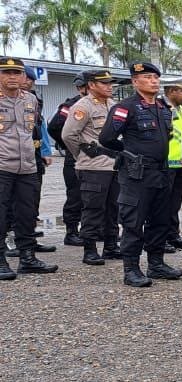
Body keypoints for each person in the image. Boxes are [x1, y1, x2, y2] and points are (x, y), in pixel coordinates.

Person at [98, 62, 182, 286]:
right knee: (133, 222)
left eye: (156, 77)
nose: (153, 81)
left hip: (162, 172)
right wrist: (128, 154)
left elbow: (168, 137)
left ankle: (156, 264)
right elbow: (106, 138)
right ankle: (131, 269)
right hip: (137, 174)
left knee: (160, 220)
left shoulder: (163, 108)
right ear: (135, 82)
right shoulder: (125, 107)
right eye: (147, 77)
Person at [0, 57, 57, 279]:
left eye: (17, 73)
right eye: (7, 73)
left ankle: (28, 258)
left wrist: (42, 153)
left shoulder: (30, 100)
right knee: (2, 215)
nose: (13, 77)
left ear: (24, 76)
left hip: (27, 167)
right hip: (2, 166)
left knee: (27, 213)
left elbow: (34, 131)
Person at [60, 69, 121, 266]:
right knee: (93, 208)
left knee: (114, 208)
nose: (109, 86)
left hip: (114, 165)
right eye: (104, 83)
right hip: (93, 166)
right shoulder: (82, 106)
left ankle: (111, 246)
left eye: (111, 83)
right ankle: (90, 249)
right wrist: (82, 154)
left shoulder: (112, 105)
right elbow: (68, 135)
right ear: (92, 85)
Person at [47, 73, 88, 247]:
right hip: (76, 157)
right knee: (76, 195)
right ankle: (71, 232)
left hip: (98, 158)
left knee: (98, 197)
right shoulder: (71, 105)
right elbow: (54, 127)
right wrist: (69, 146)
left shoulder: (105, 105)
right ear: (81, 88)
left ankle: (96, 230)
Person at [163, 78, 182, 252]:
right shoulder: (163, 109)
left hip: (180, 164)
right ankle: (161, 237)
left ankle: (172, 234)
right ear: (172, 91)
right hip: (166, 164)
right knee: (162, 204)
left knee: (174, 203)